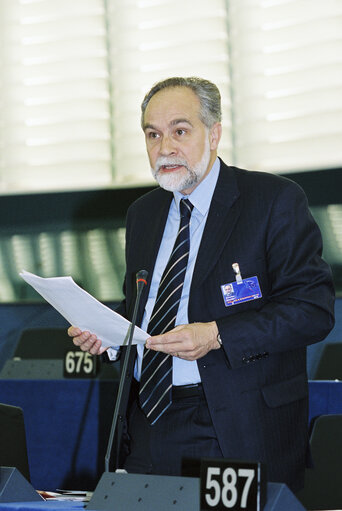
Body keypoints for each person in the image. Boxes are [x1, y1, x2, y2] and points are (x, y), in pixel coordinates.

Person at [68, 77, 335, 492]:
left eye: (180, 130)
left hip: (235, 422)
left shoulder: (272, 200)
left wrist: (216, 335)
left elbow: (313, 309)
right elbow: (141, 307)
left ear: (214, 134)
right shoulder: (143, 213)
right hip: (149, 419)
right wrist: (108, 336)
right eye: (152, 135)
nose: (164, 147)